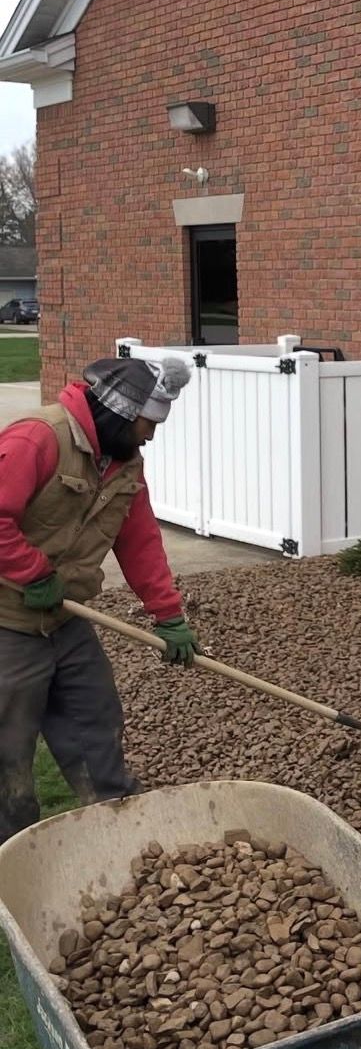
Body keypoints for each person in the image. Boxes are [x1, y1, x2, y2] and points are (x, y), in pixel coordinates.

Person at [0, 356, 202, 844]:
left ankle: (119, 836)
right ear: (119, 410)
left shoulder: (125, 464)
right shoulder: (38, 439)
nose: (151, 436)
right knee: (8, 757)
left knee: (96, 725)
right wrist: (31, 571)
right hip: (7, 624)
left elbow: (140, 542)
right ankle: (13, 862)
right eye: (147, 424)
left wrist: (169, 614)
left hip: (66, 622)